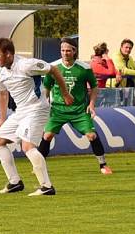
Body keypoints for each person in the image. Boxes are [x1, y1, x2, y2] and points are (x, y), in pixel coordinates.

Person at [0, 37, 72, 196]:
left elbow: (54, 69)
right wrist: (2, 118)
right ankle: (15, 182)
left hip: (37, 109)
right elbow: (2, 93)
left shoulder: (26, 64)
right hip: (20, 111)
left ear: (8, 54)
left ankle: (46, 186)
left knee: (27, 146)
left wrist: (65, 92)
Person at [37, 38, 112, 175]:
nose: (65, 53)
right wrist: (43, 106)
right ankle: (38, 166)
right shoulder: (53, 67)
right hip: (58, 109)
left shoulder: (84, 68)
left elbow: (94, 87)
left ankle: (103, 164)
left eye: (68, 50)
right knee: (47, 136)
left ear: (74, 51)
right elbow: (46, 88)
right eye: (62, 50)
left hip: (79, 110)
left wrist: (91, 104)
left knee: (91, 135)